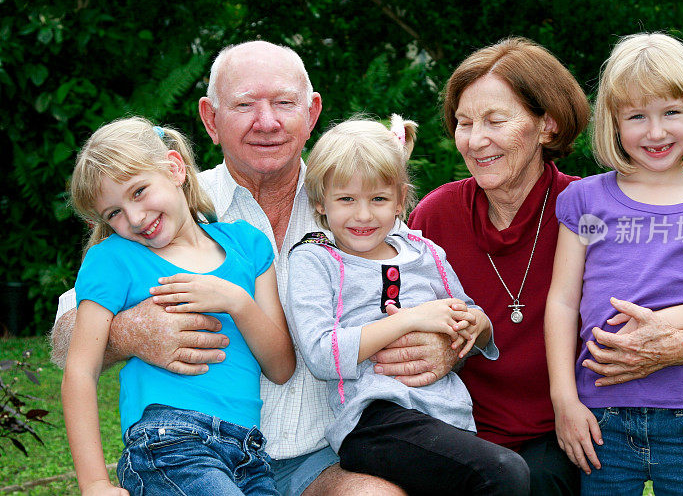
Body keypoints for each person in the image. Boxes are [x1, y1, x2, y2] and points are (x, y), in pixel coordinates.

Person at [403, 36, 683, 495]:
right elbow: (396, 310)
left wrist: (671, 336)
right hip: (496, 426)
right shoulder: (442, 215)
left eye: (496, 120)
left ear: (548, 126)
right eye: (463, 123)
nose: (476, 140)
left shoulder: (618, 206)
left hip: (622, 423)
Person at [51, 42, 411, 496]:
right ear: (210, 119)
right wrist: (127, 331)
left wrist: (462, 331)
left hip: (303, 452)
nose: (267, 121)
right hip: (176, 444)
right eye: (244, 105)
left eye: (283, 103)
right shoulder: (127, 244)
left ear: (312, 112)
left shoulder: (355, 206)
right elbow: (69, 350)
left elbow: (417, 288)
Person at [544, 32, 683, 495]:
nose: (656, 131)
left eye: (671, 112)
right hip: (601, 418)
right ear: (614, 122)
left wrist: (663, 325)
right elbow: (563, 302)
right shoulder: (586, 201)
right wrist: (564, 399)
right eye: (637, 116)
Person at [286, 115, 529, 495]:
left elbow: (469, 318)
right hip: (374, 421)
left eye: (378, 199)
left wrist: (475, 325)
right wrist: (411, 319)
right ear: (320, 202)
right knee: (502, 472)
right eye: (346, 199)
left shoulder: (425, 252)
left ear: (400, 199)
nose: (363, 215)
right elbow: (321, 354)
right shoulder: (316, 260)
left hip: (447, 417)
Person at [63, 117, 294, 495]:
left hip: (249, 453)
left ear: (174, 168)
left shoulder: (247, 245)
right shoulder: (114, 258)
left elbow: (282, 367)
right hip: (169, 442)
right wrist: (93, 484)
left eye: (138, 192)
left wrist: (237, 301)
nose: (134, 219)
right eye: (114, 213)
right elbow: (80, 371)